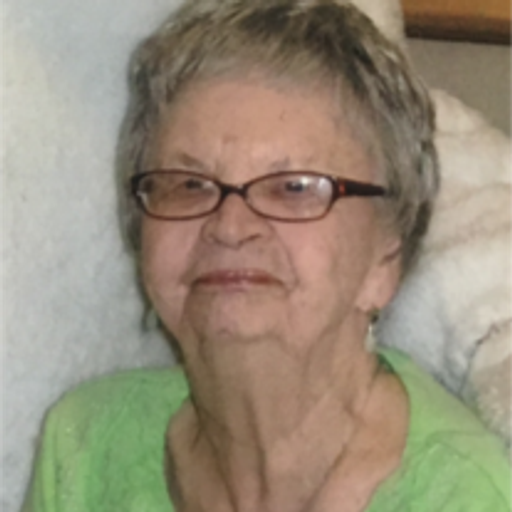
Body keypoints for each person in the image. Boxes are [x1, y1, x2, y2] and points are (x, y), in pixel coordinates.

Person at [23, 1, 512, 511]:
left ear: (386, 256)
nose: (230, 226)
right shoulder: (86, 449)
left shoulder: (468, 496)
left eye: (293, 188)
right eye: (188, 185)